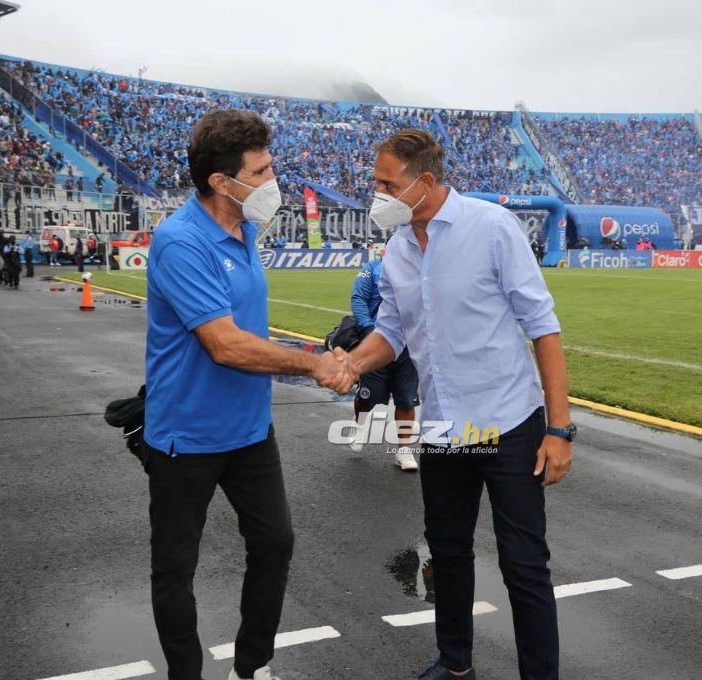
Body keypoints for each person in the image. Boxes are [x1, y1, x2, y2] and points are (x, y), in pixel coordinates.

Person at [344, 129, 574, 680]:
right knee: (447, 554)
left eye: (385, 183)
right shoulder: (398, 248)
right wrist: (351, 364)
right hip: (446, 427)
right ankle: (454, 664)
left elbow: (543, 328)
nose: (376, 193)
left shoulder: (491, 228)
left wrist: (559, 430)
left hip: (510, 423)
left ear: (424, 182)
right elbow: (393, 334)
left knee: (524, 566)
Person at [143, 109, 356, 680]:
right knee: (175, 567)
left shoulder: (247, 228)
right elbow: (227, 345)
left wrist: (328, 355)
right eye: (260, 172)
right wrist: (314, 365)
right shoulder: (181, 241)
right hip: (184, 434)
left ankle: (252, 665)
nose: (272, 182)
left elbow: (248, 334)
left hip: (249, 429)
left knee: (275, 543)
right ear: (221, 182)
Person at [348, 257, 420, 470]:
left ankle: (404, 450)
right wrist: (370, 329)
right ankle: (359, 424)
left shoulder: (421, 268)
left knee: (407, 400)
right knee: (367, 397)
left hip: (409, 346)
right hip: (378, 343)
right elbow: (358, 298)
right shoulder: (372, 269)